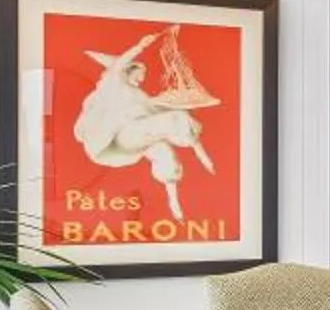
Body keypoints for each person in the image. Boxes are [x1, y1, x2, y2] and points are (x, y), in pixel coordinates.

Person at [71, 30, 219, 220]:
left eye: (144, 73)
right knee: (175, 119)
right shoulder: (114, 84)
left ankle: (173, 200)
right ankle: (202, 156)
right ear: (127, 71)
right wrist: (141, 46)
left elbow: (155, 114)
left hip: (134, 140)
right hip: (120, 136)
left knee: (165, 151)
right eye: (140, 72)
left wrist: (176, 104)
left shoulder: (142, 96)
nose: (143, 76)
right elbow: (118, 66)